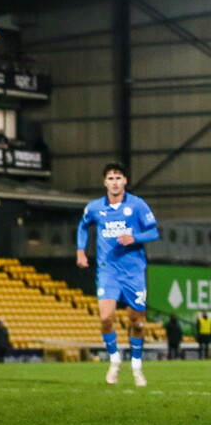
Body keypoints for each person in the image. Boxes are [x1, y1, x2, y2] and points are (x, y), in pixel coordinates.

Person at [77, 162, 159, 387]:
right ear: (105, 182)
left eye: (118, 178)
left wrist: (135, 238)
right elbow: (83, 226)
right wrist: (80, 251)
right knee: (105, 317)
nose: (115, 182)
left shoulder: (138, 205)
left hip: (133, 272)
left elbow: (153, 231)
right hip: (108, 270)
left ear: (125, 182)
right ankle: (114, 360)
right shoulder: (95, 208)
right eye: (110, 178)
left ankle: (136, 367)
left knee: (138, 322)